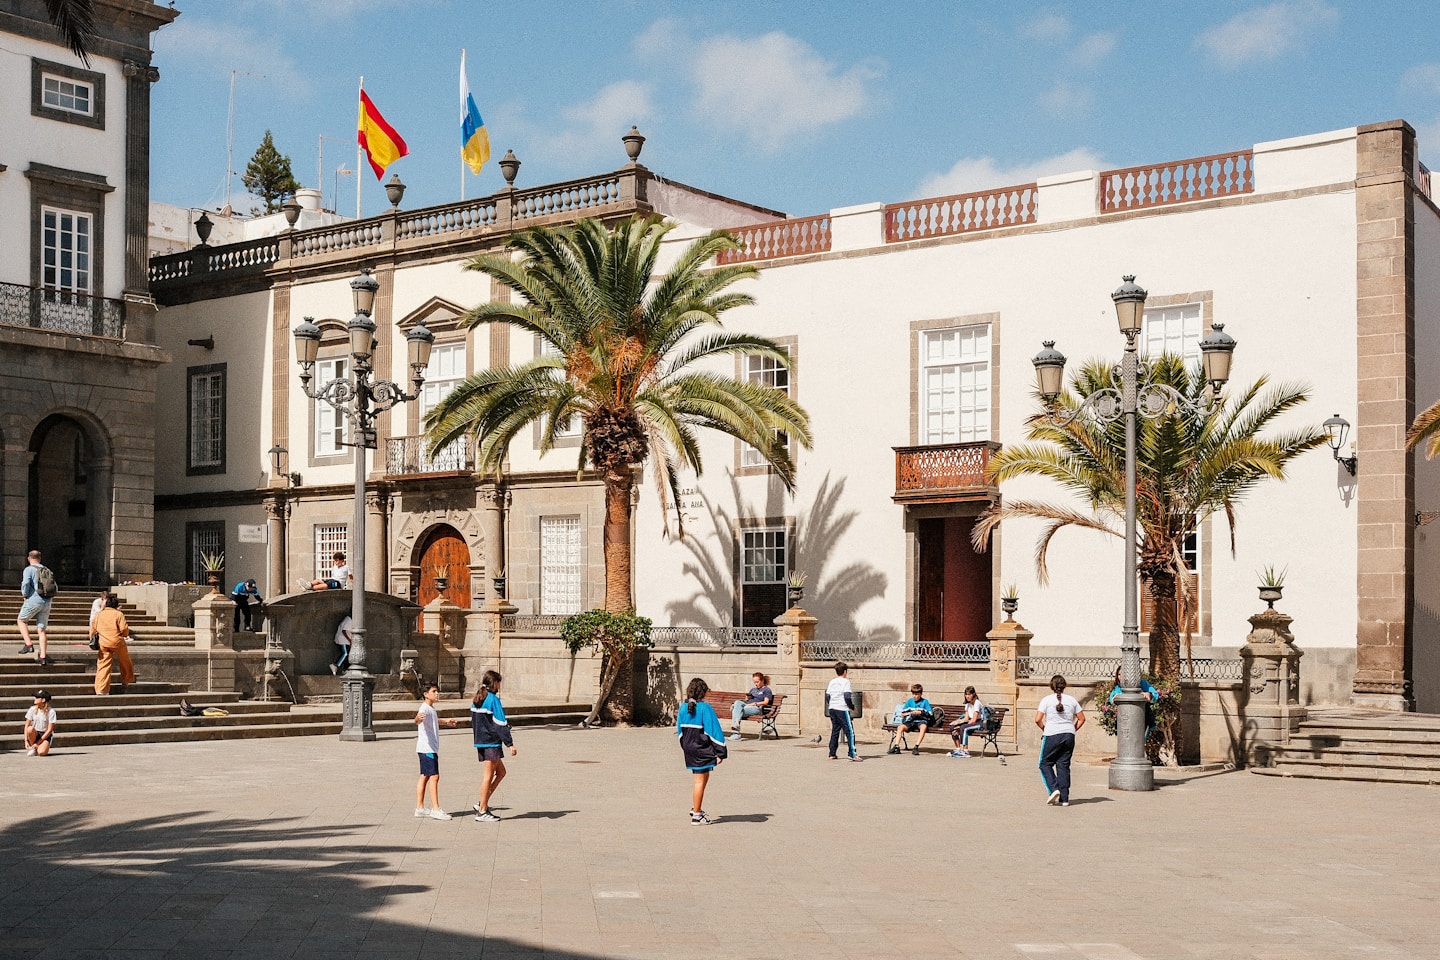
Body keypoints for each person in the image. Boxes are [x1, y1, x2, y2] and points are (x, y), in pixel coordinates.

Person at [676, 677, 726, 824]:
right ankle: (697, 816)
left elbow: (679, 731)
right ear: (703, 692)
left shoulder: (683, 708)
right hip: (702, 747)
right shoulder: (705, 708)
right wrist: (721, 751)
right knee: (699, 781)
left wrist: (685, 746)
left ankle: (696, 806)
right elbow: (714, 731)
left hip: (689, 747)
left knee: (703, 776)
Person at [471, 670, 517, 822]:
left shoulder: (477, 698)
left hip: (481, 741)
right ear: (495, 683)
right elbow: (500, 724)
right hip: (491, 742)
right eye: (499, 683)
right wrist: (510, 744)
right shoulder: (493, 700)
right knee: (487, 776)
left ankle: (481, 803)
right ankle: (482, 811)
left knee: (501, 772)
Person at [1035, 674, 1085, 806]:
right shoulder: (1072, 700)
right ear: (1064, 686)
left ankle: (1053, 789)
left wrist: (1044, 729)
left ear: (1052, 686)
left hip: (1052, 734)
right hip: (1069, 735)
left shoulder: (1046, 700)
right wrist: (1072, 729)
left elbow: (1037, 719)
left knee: (1044, 763)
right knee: (1063, 765)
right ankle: (1065, 798)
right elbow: (1082, 719)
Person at [415, 682, 461, 820]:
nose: (437, 694)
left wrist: (446, 722)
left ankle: (420, 808)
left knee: (425, 776)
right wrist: (417, 719)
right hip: (427, 748)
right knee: (434, 776)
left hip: (427, 748)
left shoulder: (431, 709)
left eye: (437, 691)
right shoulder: (424, 708)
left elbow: (434, 720)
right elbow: (418, 719)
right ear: (426, 694)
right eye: (434, 691)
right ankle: (435, 809)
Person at [92, 593, 136, 695]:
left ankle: (101, 690)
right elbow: (124, 629)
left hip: (103, 643)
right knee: (125, 661)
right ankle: (127, 680)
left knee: (103, 665)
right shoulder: (118, 614)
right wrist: (124, 635)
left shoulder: (99, 615)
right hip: (117, 642)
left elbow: (93, 629)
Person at [17, 550, 54, 666]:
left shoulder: (29, 569)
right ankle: (43, 657)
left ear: (29, 558)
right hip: (47, 601)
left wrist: (25, 595)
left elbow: (26, 583)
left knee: (21, 620)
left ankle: (29, 645)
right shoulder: (47, 570)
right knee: (42, 629)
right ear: (40, 558)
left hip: (33, 599)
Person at [1109, 667, 1160, 742]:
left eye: (1124, 674)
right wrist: (1115, 698)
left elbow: (1155, 695)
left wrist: (1149, 694)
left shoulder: (1143, 683)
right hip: (1125, 720)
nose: (1121, 677)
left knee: (1139, 742)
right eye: (1119, 674)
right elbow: (1111, 698)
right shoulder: (1118, 688)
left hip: (1141, 719)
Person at [826, 660, 860, 761]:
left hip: (832, 708)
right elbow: (847, 697)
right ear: (845, 671)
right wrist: (852, 707)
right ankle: (852, 754)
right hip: (842, 708)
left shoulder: (832, 682)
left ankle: (832, 754)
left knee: (835, 731)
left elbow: (827, 696)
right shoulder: (846, 682)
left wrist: (832, 703)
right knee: (849, 731)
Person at [888, 683, 934, 755]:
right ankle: (896, 746)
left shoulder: (925, 702)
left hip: (921, 720)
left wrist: (920, 712)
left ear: (921, 694)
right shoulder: (910, 701)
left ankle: (916, 746)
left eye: (917, 694)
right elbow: (904, 711)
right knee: (900, 727)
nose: (915, 696)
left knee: (923, 727)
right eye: (913, 694)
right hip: (911, 720)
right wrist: (904, 714)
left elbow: (930, 713)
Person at [727, 671, 773, 740]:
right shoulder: (753, 690)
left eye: (757, 682)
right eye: (754, 682)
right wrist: (748, 698)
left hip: (757, 708)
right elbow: (747, 700)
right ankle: (736, 725)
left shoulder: (767, 690)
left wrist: (755, 703)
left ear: (762, 680)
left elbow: (766, 702)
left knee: (736, 711)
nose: (756, 684)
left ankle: (736, 733)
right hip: (747, 705)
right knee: (737, 703)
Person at [948, 686, 988, 758]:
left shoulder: (977, 703)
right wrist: (957, 722)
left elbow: (974, 719)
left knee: (964, 728)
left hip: (979, 723)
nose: (967, 696)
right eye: (966, 694)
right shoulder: (967, 704)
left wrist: (960, 727)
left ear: (973, 694)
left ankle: (965, 751)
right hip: (971, 722)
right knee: (952, 727)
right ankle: (958, 749)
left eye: (969, 694)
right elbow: (966, 718)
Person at [24, 689, 56, 757]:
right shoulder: (32, 709)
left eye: (37, 697)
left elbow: (50, 730)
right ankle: (33, 748)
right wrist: (26, 741)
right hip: (35, 733)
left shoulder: (51, 712)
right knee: (29, 729)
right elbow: (27, 725)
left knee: (41, 753)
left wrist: (39, 742)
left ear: (43, 700)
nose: (35, 699)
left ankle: (37, 747)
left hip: (45, 734)